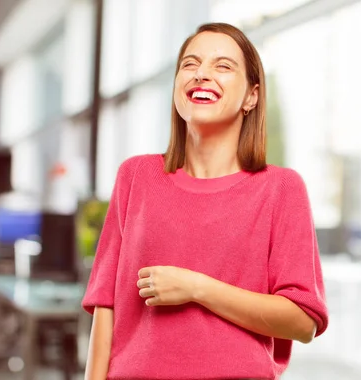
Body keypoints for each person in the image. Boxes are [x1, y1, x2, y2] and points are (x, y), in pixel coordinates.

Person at [82, 22, 328, 380]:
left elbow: (303, 322)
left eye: (222, 66)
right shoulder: (135, 176)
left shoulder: (281, 189)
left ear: (251, 96)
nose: (201, 74)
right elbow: (106, 306)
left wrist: (197, 288)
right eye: (190, 64)